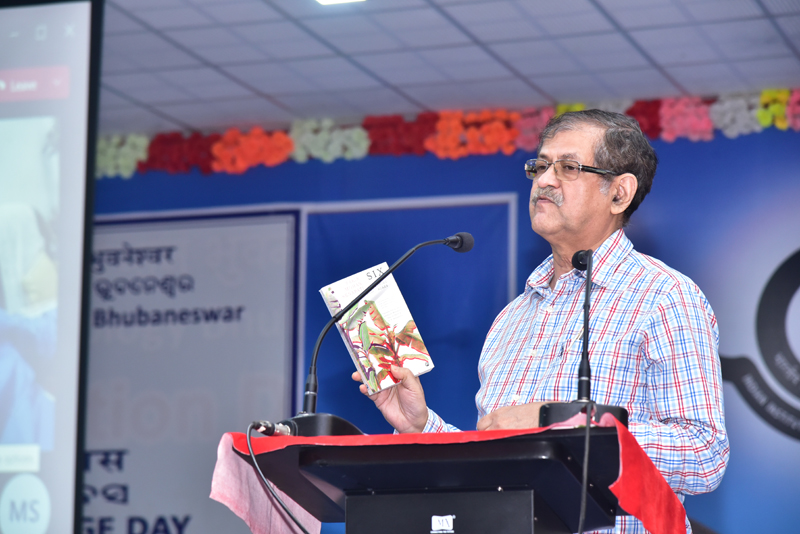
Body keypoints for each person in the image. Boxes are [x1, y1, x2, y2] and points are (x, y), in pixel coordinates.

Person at [353, 110, 729, 533]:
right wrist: (421, 425)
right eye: (540, 165)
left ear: (619, 193)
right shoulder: (512, 318)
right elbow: (493, 465)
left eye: (568, 167)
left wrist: (559, 426)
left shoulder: (665, 297)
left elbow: (704, 453)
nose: (545, 180)